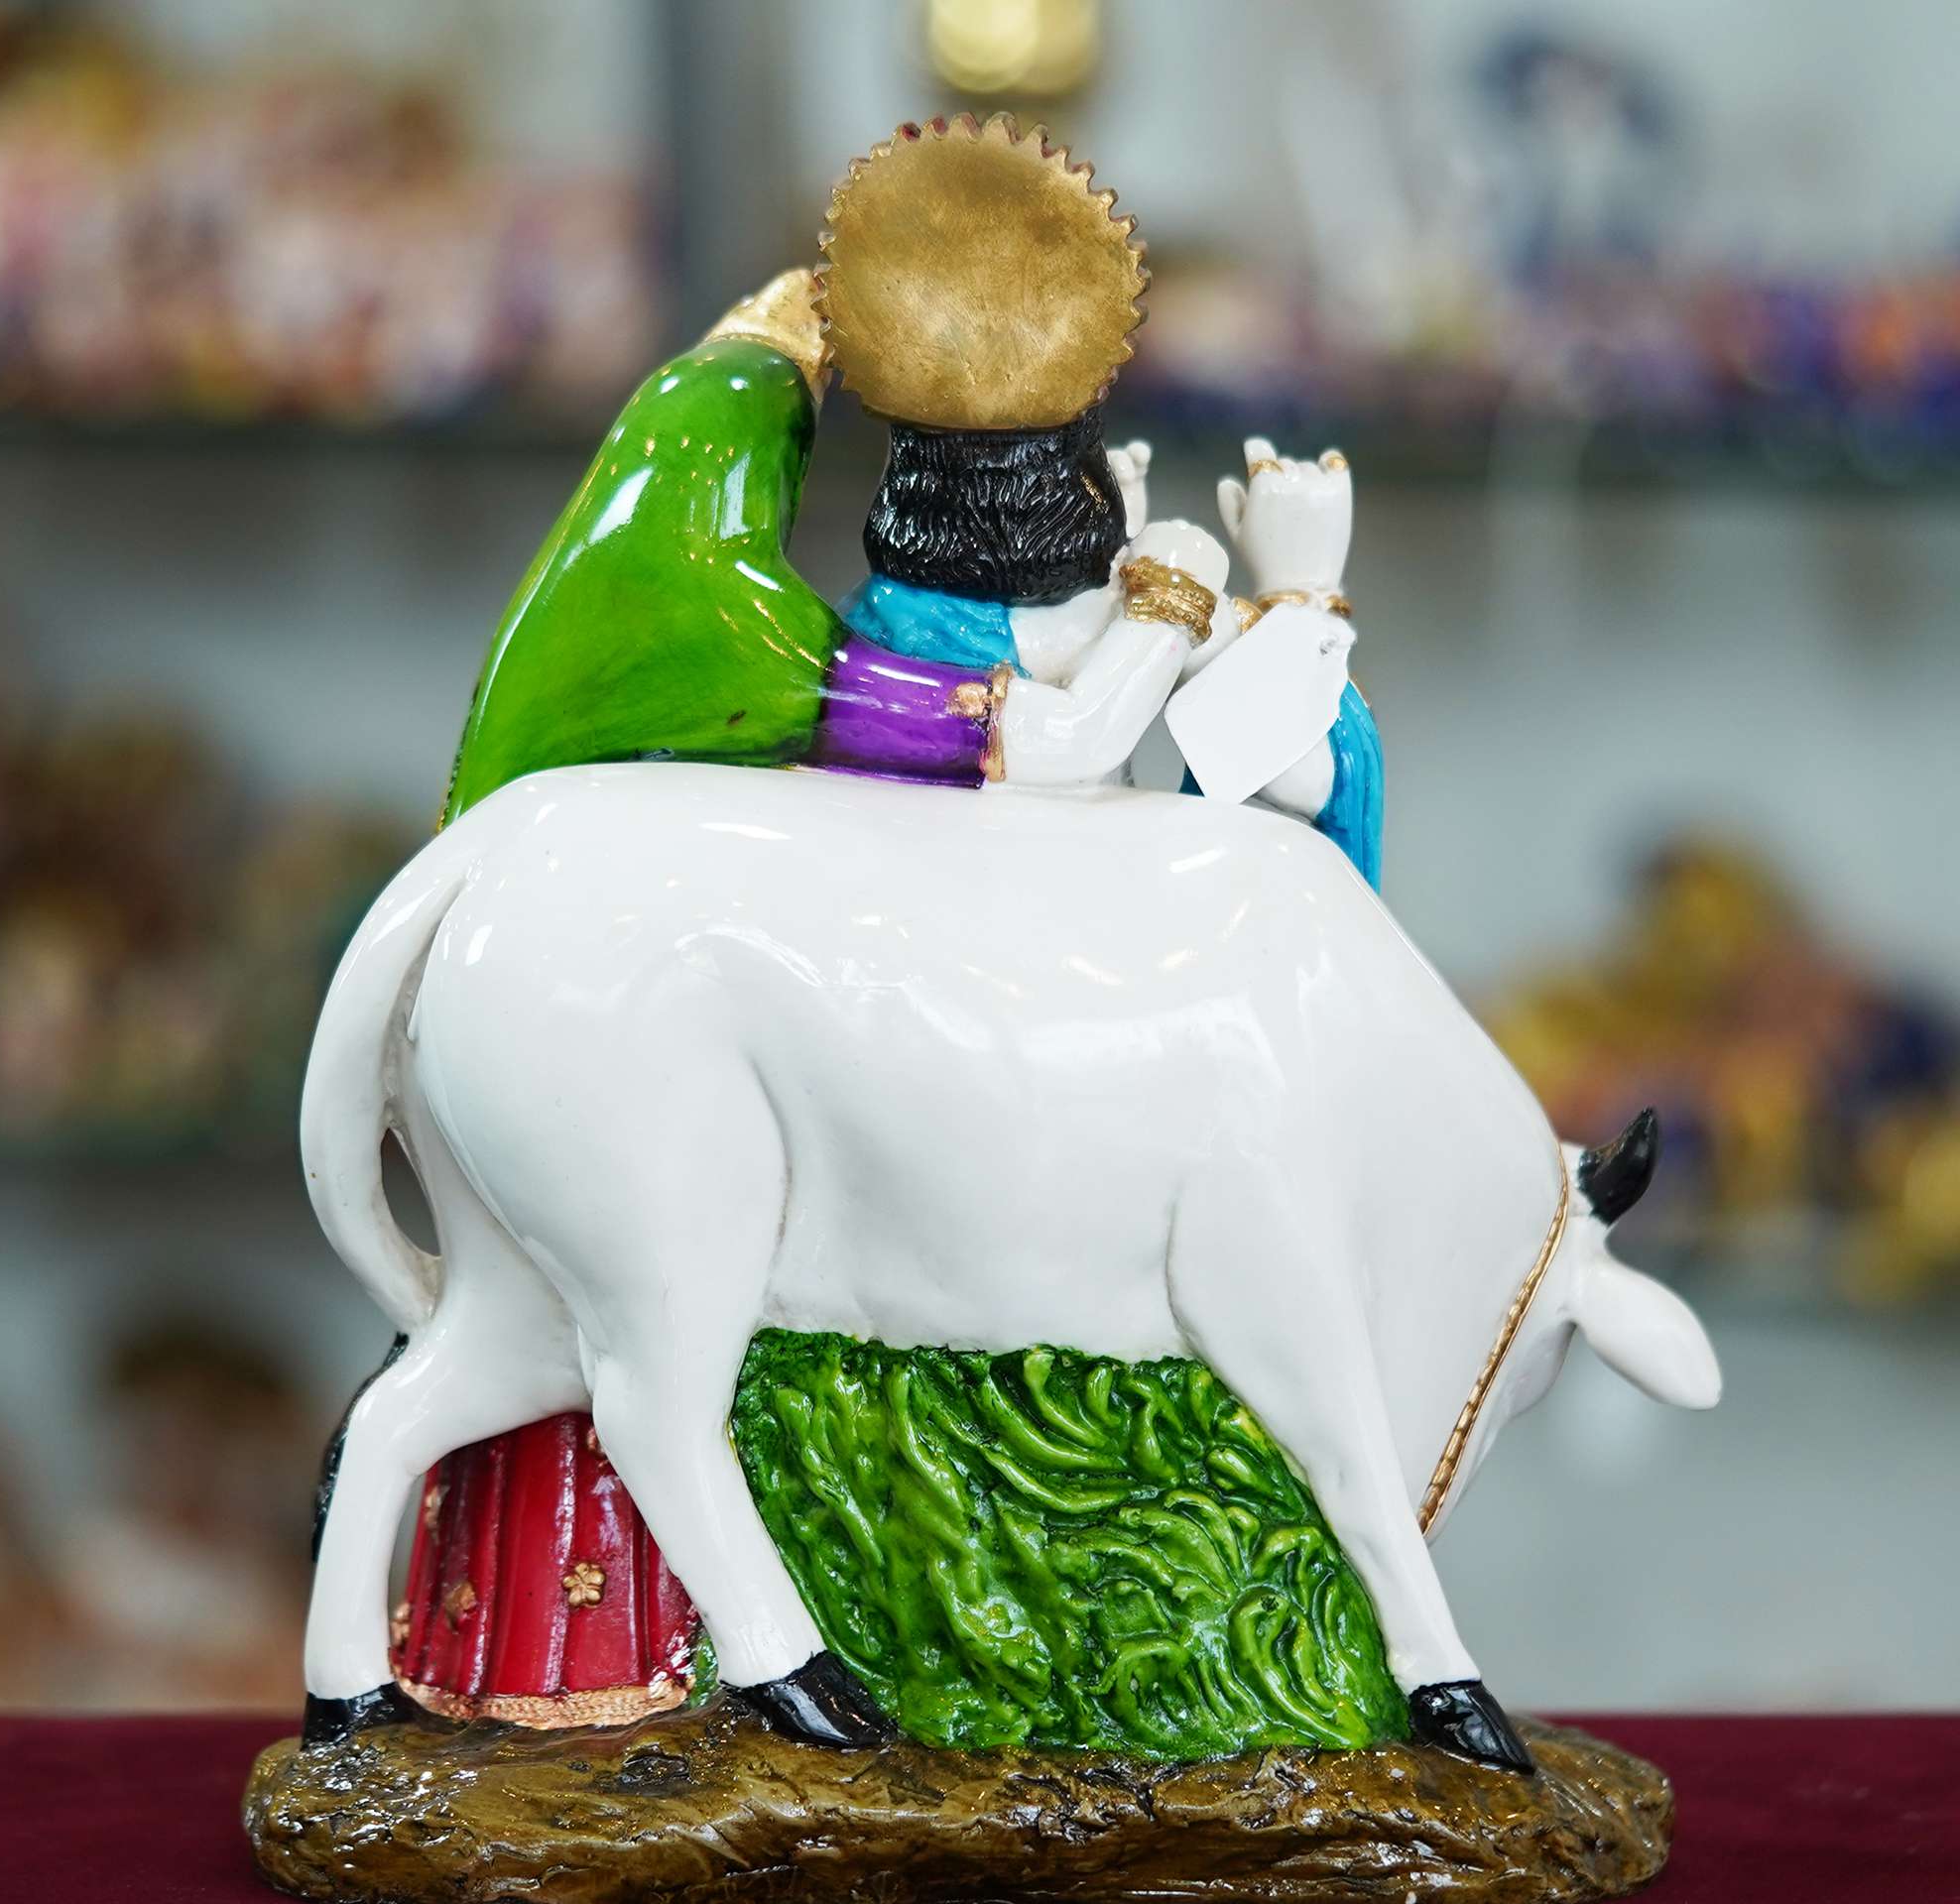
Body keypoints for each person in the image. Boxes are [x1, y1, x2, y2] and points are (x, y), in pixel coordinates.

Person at [381, 114, 1380, 1740]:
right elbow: (1089, 765)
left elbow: (1176, 774)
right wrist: (1212, 598)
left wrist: (1220, 613)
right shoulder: (842, 668)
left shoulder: (859, 638)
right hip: (955, 1033)